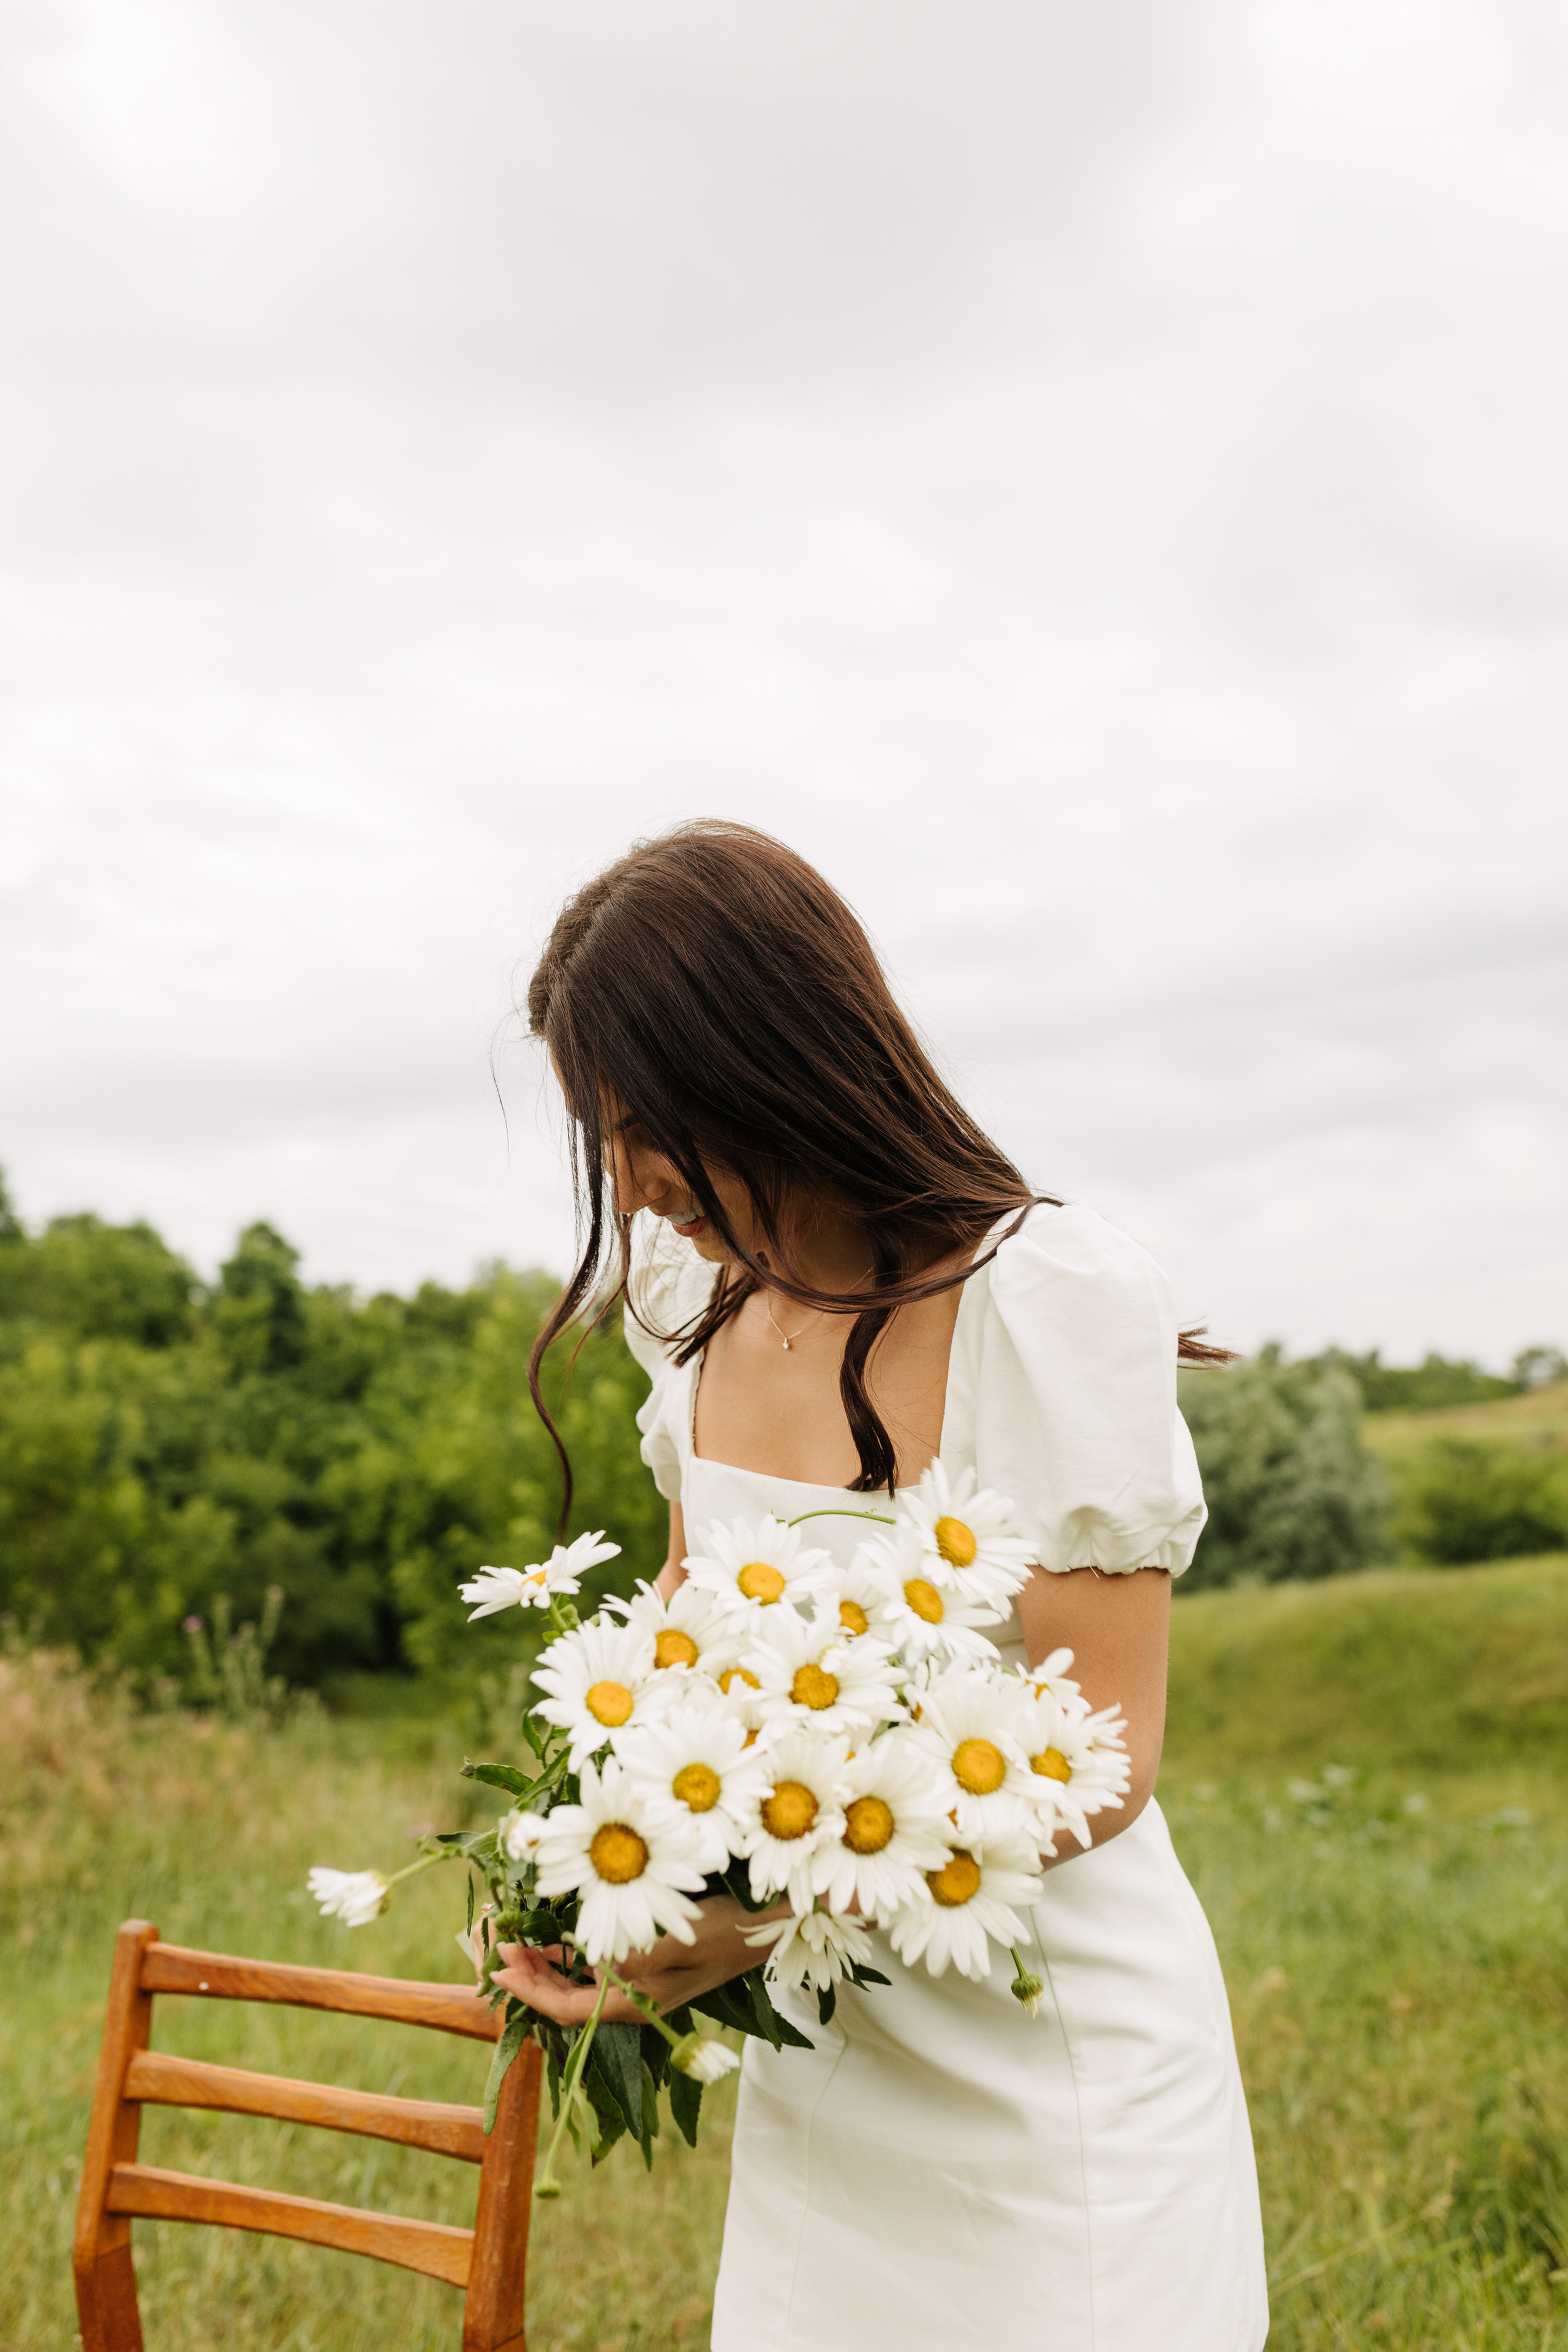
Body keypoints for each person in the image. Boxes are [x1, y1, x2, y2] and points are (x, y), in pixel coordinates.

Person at [492, 821, 1268, 2352]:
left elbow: (1107, 1754)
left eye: (646, 1128)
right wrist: (601, 1882)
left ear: (765, 1068)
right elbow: (684, 1643)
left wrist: (767, 1919)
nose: (628, 1187)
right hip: (834, 2061)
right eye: (602, 1137)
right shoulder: (691, 1302)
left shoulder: (1039, 1297)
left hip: (1050, 2065)